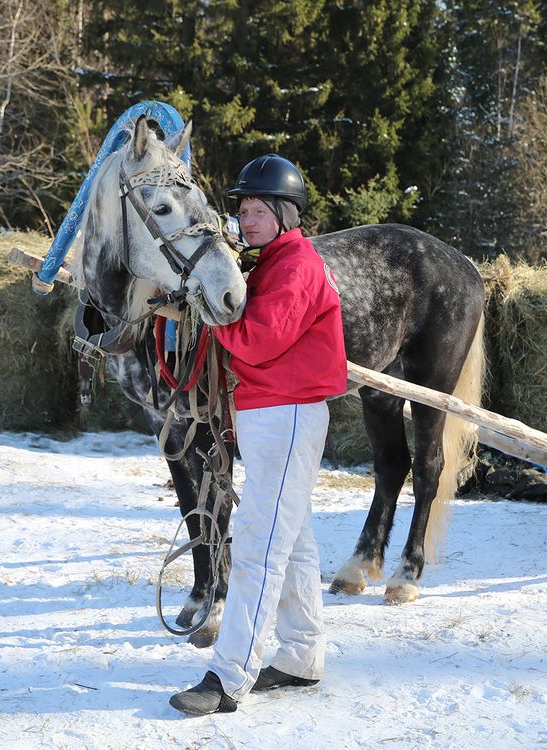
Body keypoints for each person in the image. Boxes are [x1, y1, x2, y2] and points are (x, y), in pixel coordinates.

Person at [170, 154, 347, 716]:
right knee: (292, 540)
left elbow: (260, 339)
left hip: (289, 415)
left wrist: (211, 313)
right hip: (273, 415)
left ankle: (228, 676)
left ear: (285, 214)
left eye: (256, 211)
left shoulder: (296, 266)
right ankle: (300, 655)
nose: (245, 220)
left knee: (258, 543)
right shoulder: (270, 264)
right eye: (242, 210)